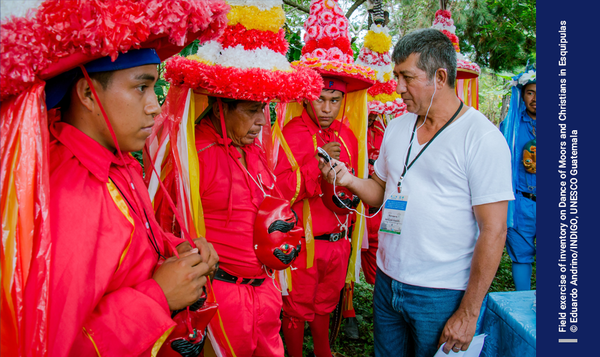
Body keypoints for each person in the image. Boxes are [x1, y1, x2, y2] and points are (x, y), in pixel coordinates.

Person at [1, 1, 228, 355]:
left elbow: (124, 252)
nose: (155, 105)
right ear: (89, 94)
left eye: (155, 88)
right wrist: (159, 294)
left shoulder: (117, 162)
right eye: (142, 87)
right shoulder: (68, 200)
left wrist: (176, 251)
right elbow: (56, 345)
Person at [319, 28, 514, 357]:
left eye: (407, 77)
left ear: (440, 77)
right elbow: (380, 190)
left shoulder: (481, 138)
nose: (397, 88)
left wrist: (468, 312)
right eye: (396, 76)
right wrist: (348, 180)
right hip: (387, 280)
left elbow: (494, 230)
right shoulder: (398, 126)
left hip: (441, 292)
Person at [154, 1, 323, 354]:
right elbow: (165, 228)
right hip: (221, 298)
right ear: (220, 105)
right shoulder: (193, 154)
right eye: (251, 109)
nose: (263, 120)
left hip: (265, 291)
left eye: (264, 108)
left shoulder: (255, 148)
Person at [500, 67, 537, 291]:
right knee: (521, 256)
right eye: (530, 92)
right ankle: (524, 304)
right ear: (522, 95)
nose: (536, 98)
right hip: (521, 203)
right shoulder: (511, 126)